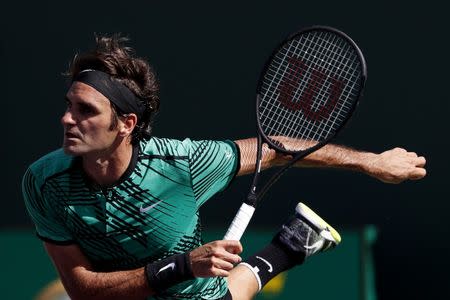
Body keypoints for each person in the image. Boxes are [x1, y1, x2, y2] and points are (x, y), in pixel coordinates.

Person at [22, 35, 426, 300]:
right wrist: (181, 265)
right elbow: (83, 290)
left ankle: (288, 247)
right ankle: (289, 246)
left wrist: (370, 162)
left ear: (126, 124)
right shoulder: (45, 183)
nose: (66, 119)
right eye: (68, 106)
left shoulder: (182, 164)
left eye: (85, 111)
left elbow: (275, 149)